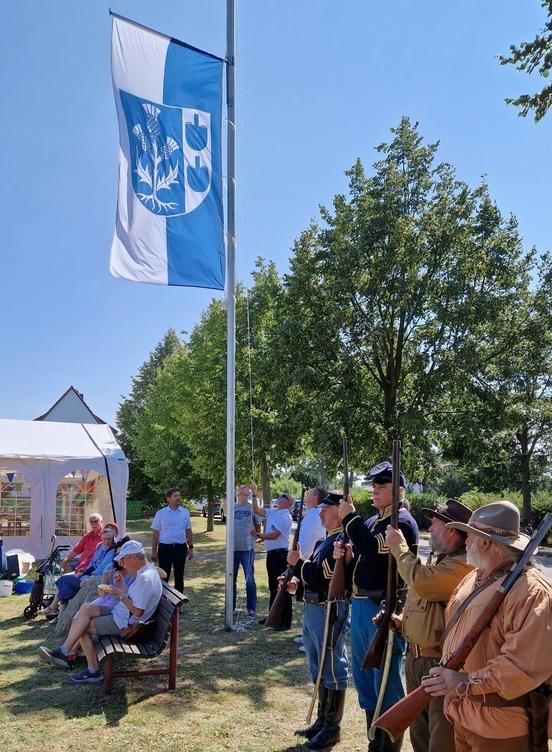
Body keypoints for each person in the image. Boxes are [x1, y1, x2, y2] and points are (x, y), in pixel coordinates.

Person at [421, 501, 552, 752]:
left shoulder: (532, 592)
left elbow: (520, 665)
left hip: (500, 725)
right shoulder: (474, 576)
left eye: (469, 536)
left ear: (485, 542)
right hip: (462, 712)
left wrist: (464, 680)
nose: (465, 541)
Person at [335, 461, 419, 752]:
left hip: (382, 607)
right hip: (360, 605)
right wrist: (345, 555)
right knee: (367, 681)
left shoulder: (403, 522)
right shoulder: (373, 521)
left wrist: (349, 519)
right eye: (374, 486)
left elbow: (372, 549)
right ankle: (375, 742)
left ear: (399, 491)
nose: (374, 491)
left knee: (387, 683)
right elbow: (363, 555)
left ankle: (388, 745)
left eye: (381, 487)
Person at [384, 498, 474, 752]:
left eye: (435, 524)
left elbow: (423, 583)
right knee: (420, 734)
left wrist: (399, 549)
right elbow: (427, 606)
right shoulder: (443, 561)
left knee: (439, 739)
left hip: (437, 663)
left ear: (452, 530)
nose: (430, 529)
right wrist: (400, 622)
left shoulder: (463, 565)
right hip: (416, 659)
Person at [38, 540, 163, 684]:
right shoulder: (147, 572)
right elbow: (135, 598)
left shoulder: (145, 578)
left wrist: (119, 595)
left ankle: (91, 670)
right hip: (120, 613)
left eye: (123, 560)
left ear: (133, 558)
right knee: (85, 609)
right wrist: (122, 587)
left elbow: (138, 611)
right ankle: (65, 651)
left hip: (125, 623)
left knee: (81, 625)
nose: (121, 564)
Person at [288, 491, 350, 750]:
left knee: (333, 668)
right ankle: (322, 721)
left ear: (340, 511)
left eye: (327, 509)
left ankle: (331, 729)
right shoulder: (326, 540)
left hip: (329, 610)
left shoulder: (342, 541)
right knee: (318, 666)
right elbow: (311, 575)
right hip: (313, 607)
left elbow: (323, 574)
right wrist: (295, 580)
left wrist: (297, 564)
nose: (321, 513)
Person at [42, 526, 117, 618]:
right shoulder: (100, 546)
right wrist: (82, 572)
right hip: (87, 574)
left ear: (113, 538)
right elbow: (92, 563)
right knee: (63, 581)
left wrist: (88, 577)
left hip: (96, 578)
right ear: (101, 538)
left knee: (65, 581)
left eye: (109, 539)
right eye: (104, 539)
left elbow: (101, 569)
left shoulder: (112, 550)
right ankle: (59, 615)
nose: (106, 541)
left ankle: (53, 608)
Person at [253, 489, 293, 630]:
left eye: (284, 496)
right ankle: (272, 616)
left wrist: (258, 534)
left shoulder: (285, 516)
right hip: (272, 554)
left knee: (283, 587)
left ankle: (285, 622)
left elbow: (274, 535)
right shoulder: (273, 511)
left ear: (289, 503)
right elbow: (257, 510)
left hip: (280, 555)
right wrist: (254, 495)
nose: (280, 497)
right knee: (273, 587)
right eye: (281, 495)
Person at [293, 487, 326, 651]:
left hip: (308, 562)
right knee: (306, 602)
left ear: (316, 497)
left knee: (311, 602)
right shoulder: (313, 513)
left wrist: (298, 561)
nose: (306, 496)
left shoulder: (315, 515)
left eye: (309, 494)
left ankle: (310, 639)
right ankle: (306, 635)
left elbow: (307, 542)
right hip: (306, 561)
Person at [151, 487, 193, 594]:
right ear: (168, 499)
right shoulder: (160, 513)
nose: (178, 498)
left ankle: (178, 607)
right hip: (165, 548)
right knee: (164, 576)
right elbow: (155, 534)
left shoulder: (185, 512)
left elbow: (188, 531)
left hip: (180, 548)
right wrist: (154, 551)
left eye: (179, 495)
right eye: (175, 496)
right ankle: (162, 603)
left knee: (179, 576)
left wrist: (191, 548)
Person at [233, 483, 261, 617]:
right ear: (238, 494)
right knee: (231, 579)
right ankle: (230, 608)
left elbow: (258, 527)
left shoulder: (252, 508)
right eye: (243, 494)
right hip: (233, 550)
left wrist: (256, 534)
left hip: (247, 549)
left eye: (247, 494)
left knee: (249, 579)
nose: (245, 496)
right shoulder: (232, 508)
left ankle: (251, 609)